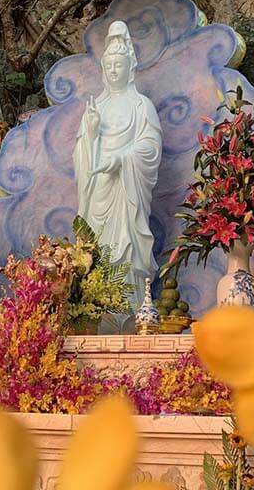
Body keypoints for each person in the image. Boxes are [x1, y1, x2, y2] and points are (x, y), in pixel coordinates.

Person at [73, 20, 162, 311]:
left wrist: (122, 159)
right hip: (98, 190)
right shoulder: (96, 106)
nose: (113, 71)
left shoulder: (141, 106)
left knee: (126, 253)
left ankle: (133, 309)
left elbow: (150, 147)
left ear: (130, 67)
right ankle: (94, 309)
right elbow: (81, 155)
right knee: (96, 252)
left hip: (127, 192)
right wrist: (90, 133)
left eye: (118, 65)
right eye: (109, 65)